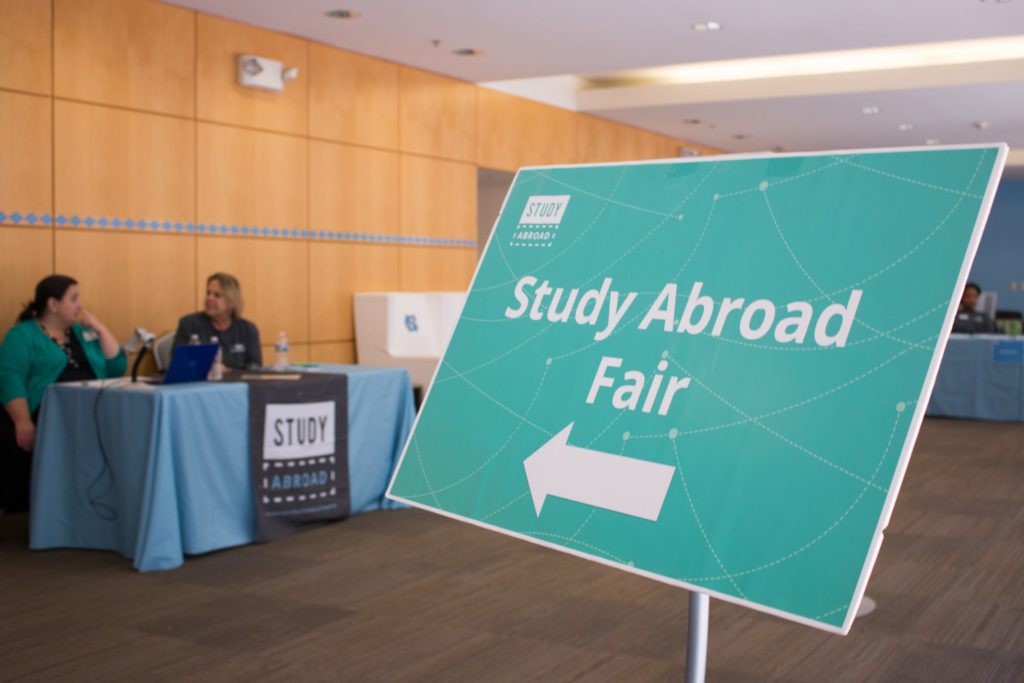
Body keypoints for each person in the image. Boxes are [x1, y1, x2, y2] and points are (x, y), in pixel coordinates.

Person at [0, 275, 126, 511]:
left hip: (91, 410)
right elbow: (10, 379)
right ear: (53, 304)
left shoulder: (82, 333)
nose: (80, 305)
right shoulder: (22, 335)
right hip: (48, 414)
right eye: (74, 298)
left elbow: (116, 367)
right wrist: (23, 421)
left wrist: (99, 328)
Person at [173, 272, 262, 370]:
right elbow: (177, 364)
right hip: (201, 384)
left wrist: (228, 370)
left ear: (232, 301)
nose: (209, 298)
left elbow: (255, 368)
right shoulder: (189, 324)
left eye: (217, 295)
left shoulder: (247, 329)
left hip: (236, 384)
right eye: (208, 293)